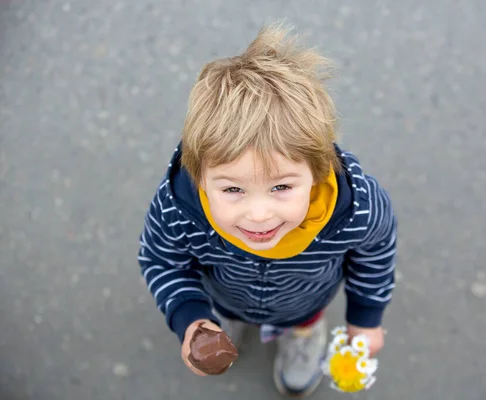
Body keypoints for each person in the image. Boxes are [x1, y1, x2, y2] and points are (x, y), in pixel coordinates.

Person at [137, 23, 397, 397]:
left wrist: (365, 319)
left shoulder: (358, 209)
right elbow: (162, 260)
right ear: (200, 177)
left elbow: (376, 257)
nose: (258, 215)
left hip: (305, 299)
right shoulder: (180, 207)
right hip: (223, 295)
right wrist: (191, 317)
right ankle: (223, 326)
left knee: (303, 318)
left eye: (281, 186)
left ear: (319, 170)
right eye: (232, 189)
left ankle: (303, 334)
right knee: (221, 316)